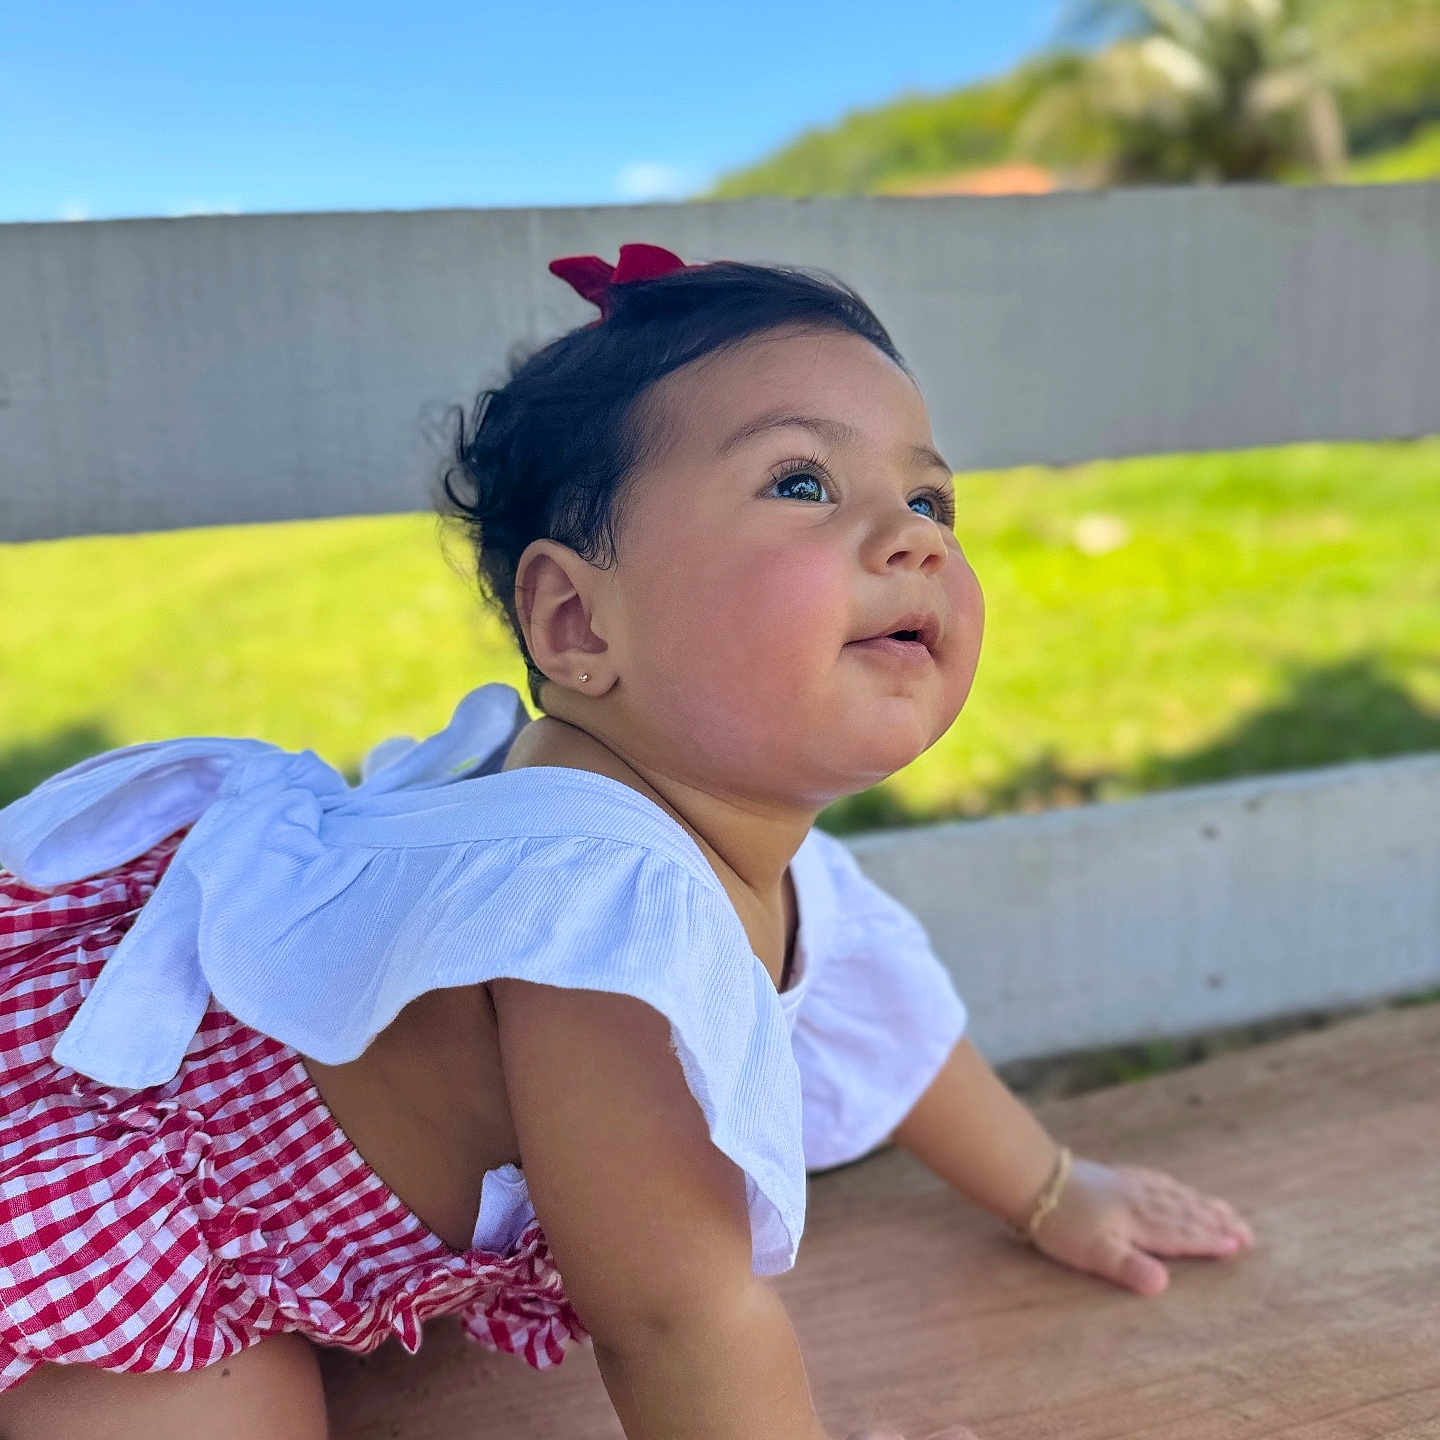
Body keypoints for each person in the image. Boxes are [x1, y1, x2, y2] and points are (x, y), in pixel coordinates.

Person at [0, 243, 1253, 1440]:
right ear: (575, 619)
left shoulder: (748, 835)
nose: (914, 535)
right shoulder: (598, 896)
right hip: (154, 1215)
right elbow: (674, 1313)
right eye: (802, 483)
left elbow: (891, 1018)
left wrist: (1048, 1187)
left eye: (928, 496)